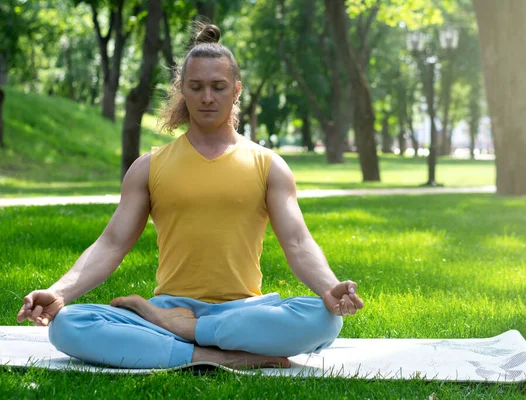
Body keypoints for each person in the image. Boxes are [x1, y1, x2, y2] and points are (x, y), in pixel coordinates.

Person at [16, 23, 364, 370]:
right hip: (166, 311)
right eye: (196, 87)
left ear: (236, 90)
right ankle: (211, 355)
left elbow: (299, 243)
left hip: (242, 312)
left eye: (218, 87)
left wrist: (330, 287)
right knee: (68, 325)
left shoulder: (268, 165)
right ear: (182, 89)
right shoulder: (148, 167)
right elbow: (111, 243)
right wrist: (60, 292)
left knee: (325, 319)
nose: (207, 97)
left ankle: (191, 333)